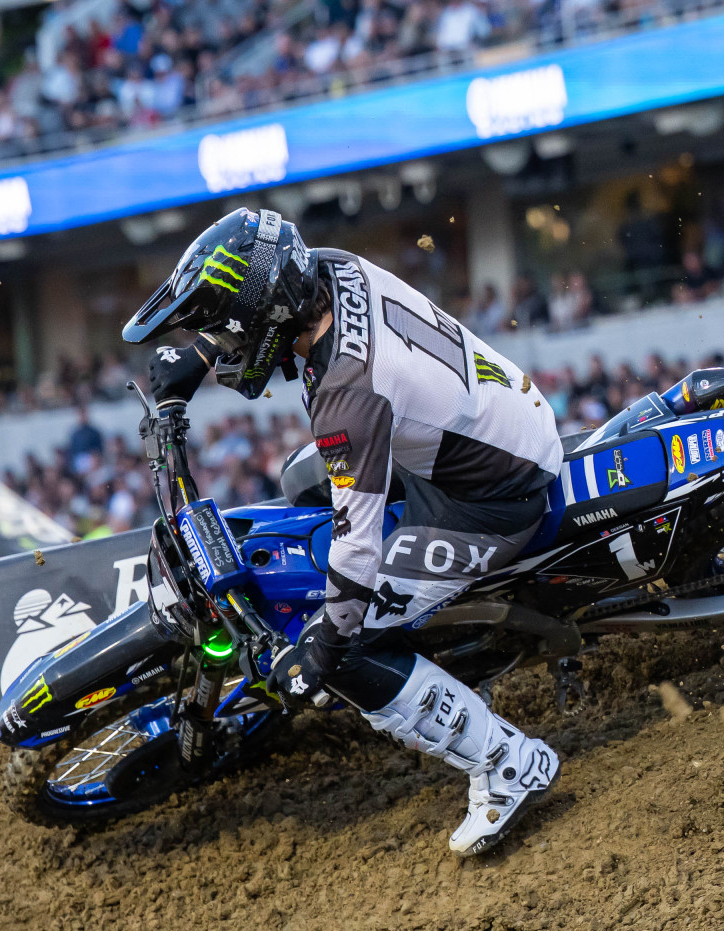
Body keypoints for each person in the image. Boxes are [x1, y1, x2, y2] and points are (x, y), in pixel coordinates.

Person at [124, 208, 565, 854]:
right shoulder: (325, 266)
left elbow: (356, 555)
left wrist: (322, 651)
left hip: (492, 497)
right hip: (485, 428)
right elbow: (262, 301)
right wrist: (199, 354)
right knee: (302, 480)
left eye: (228, 335)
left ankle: (506, 762)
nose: (229, 349)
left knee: (348, 648)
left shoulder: (346, 397)